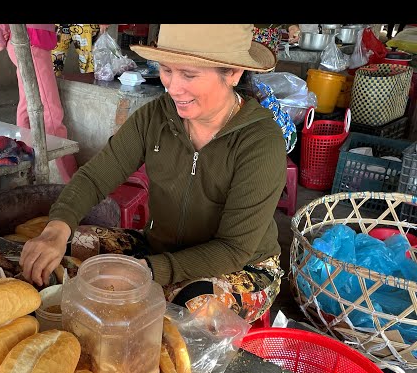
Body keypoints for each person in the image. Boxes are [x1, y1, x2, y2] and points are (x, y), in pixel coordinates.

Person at [19, 24, 287, 324]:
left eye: (189, 74)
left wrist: (145, 271)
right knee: (62, 249)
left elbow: (233, 248)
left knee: (188, 307)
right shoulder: (155, 117)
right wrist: (57, 229)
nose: (173, 87)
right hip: (159, 247)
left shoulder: (260, 142)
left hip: (242, 266)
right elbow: (95, 177)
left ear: (233, 74)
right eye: (166, 70)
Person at [0, 24, 78, 182]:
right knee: (52, 112)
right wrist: (0, 32)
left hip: (26, 41)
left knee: (27, 105)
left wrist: (1, 33)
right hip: (32, 42)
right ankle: (71, 181)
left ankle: (27, 169)